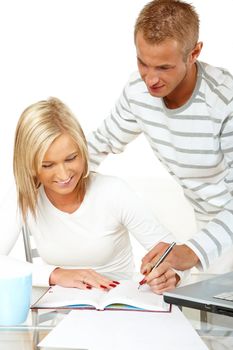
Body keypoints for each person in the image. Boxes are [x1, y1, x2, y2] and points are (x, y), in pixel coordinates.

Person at [87, 0, 233, 280]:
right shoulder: (137, 92)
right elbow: (99, 143)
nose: (150, 79)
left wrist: (191, 250)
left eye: (164, 67)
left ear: (194, 53)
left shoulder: (225, 103)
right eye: (143, 62)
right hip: (208, 225)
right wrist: (47, 172)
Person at [0, 96, 179, 293]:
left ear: (82, 150)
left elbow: (174, 253)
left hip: (117, 305)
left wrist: (172, 274)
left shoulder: (113, 191)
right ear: (29, 165)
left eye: (71, 158)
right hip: (63, 310)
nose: (63, 174)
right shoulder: (24, 195)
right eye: (48, 165)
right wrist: (55, 274)